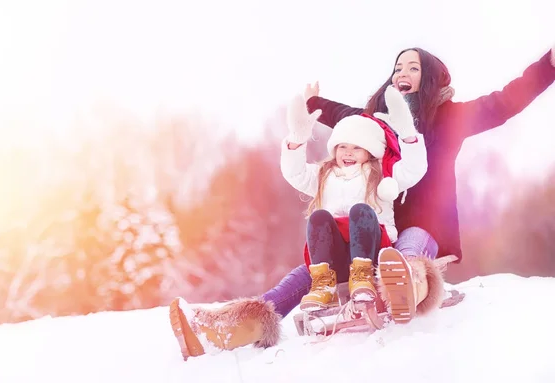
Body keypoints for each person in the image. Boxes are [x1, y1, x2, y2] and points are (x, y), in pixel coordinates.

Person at [169, 45, 555, 360]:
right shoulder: (373, 122)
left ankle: (403, 288)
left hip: (423, 228)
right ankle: (231, 325)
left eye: (414, 67)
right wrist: (311, 104)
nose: (403, 71)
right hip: (366, 230)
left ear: (432, 77)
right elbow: (340, 115)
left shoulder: (450, 117)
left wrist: (547, 67)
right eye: (398, 66)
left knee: (407, 250)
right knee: (309, 272)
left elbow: (506, 101)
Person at [281, 86, 428, 318]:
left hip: (372, 249)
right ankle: (323, 283)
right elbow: (295, 173)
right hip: (337, 254)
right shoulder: (324, 174)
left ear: (369, 151)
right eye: (342, 147)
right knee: (319, 217)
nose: (348, 153)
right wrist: (296, 142)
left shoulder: (380, 173)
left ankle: (363, 276)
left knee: (361, 211)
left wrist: (409, 135)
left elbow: (414, 169)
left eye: (356, 148)